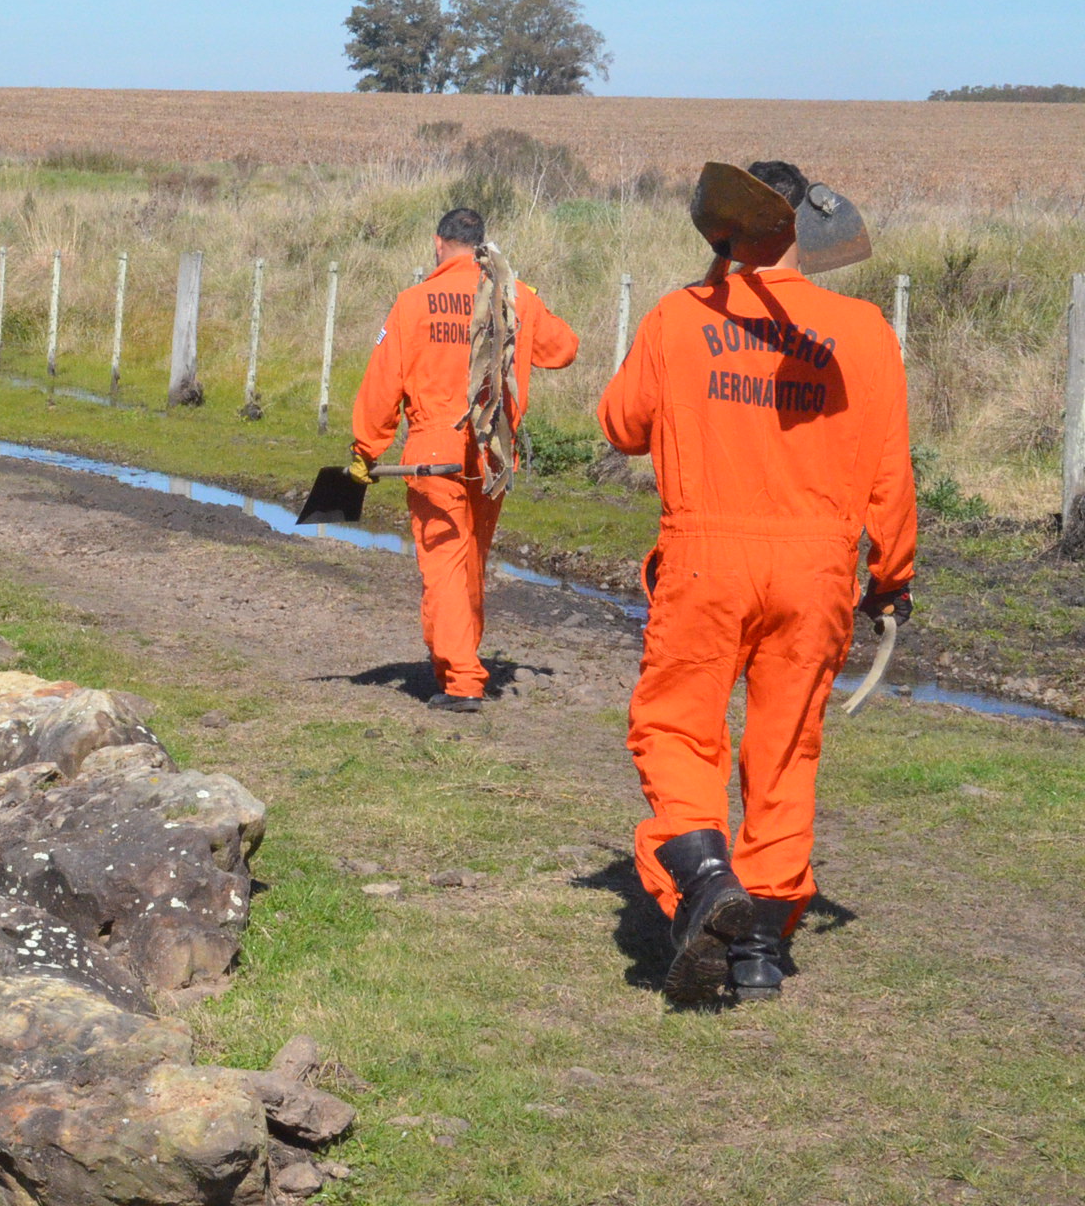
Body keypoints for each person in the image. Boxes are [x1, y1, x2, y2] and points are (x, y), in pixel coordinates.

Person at [598, 160, 913, 1004]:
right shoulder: (866, 329)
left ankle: (704, 883)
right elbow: (891, 472)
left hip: (706, 560)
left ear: (727, 228)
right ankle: (762, 949)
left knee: (674, 729)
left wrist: (704, 303)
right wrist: (891, 577)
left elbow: (621, 424)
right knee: (784, 750)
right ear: (804, 228)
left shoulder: (677, 316)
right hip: (818, 571)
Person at [349, 206, 581, 712]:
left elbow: (382, 384)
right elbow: (564, 350)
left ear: (438, 244)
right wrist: (533, 302)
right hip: (492, 455)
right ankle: (451, 660)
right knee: (469, 563)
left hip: (434, 451)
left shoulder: (413, 303)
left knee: (446, 567)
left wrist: (366, 449)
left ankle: (461, 680)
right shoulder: (509, 298)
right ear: (482, 246)